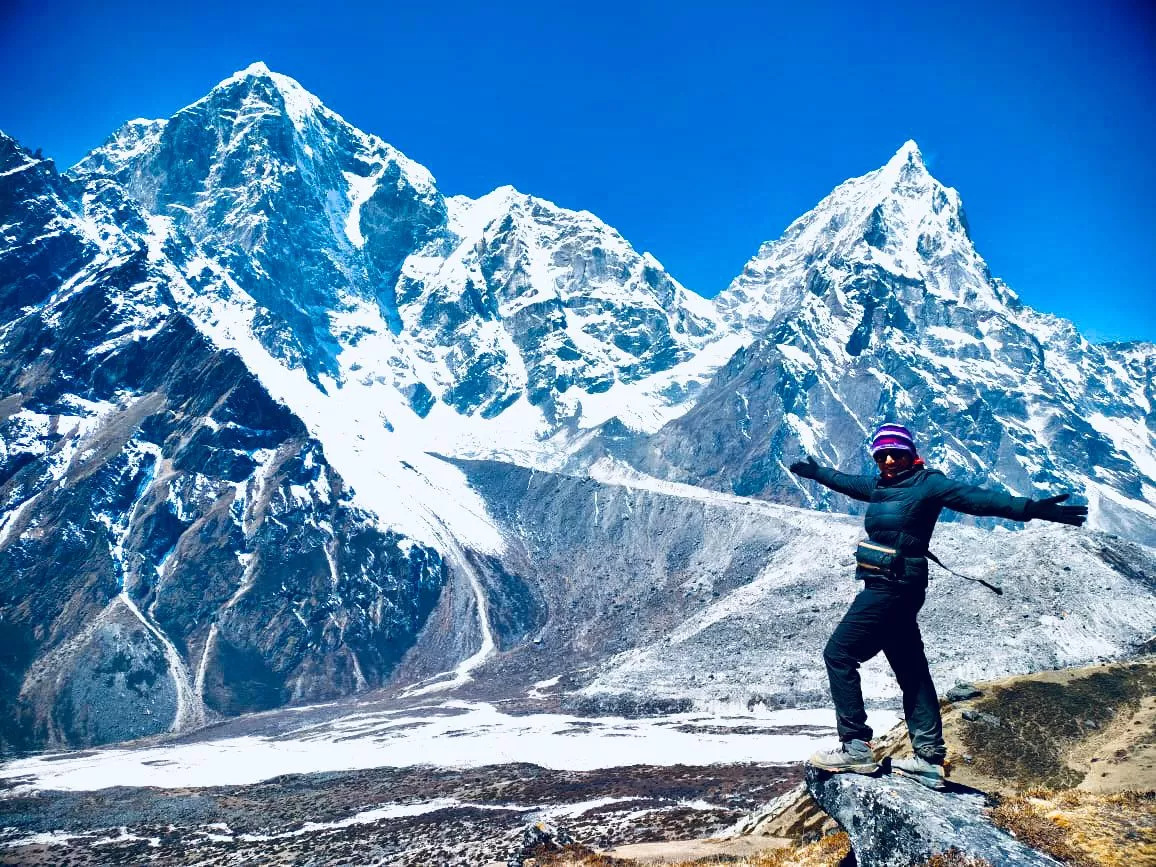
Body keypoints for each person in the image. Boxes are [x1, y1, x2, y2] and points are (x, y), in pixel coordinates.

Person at [789, 422, 1087, 789]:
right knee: (910, 668)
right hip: (890, 584)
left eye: (896, 453)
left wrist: (1031, 509)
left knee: (839, 653)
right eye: (881, 454)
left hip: (894, 585)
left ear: (910, 453)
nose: (888, 460)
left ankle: (855, 746)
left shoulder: (927, 484)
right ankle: (929, 760)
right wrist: (815, 472)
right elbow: (844, 480)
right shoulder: (880, 486)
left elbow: (977, 499)